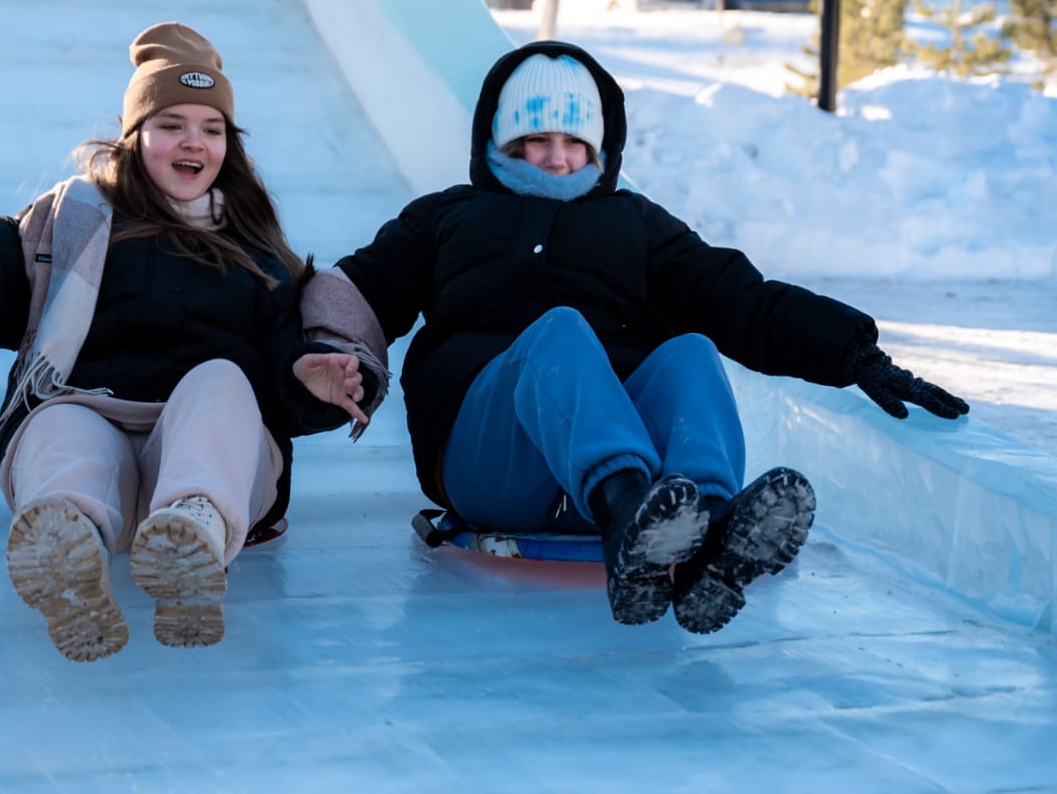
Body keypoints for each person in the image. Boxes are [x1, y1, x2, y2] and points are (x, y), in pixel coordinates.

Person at [304, 41, 970, 634]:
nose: (558, 159)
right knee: (560, 331)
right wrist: (319, 350)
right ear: (499, 143)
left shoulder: (637, 224)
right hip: (491, 453)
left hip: (630, 471)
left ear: (600, 147)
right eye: (536, 140)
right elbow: (358, 289)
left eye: (575, 142)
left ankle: (707, 527)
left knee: (690, 353)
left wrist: (852, 351)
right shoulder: (448, 216)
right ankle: (630, 517)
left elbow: (739, 299)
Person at [0, 23, 368, 661]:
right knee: (63, 421)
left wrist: (307, 381)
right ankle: (65, 544)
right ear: (134, 138)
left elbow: (275, 373)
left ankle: (190, 538)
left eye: (211, 129)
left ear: (230, 148)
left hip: (205, 458)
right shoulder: (71, 223)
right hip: (93, 411)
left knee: (222, 381)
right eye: (171, 125)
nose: (193, 142)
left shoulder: (260, 254)